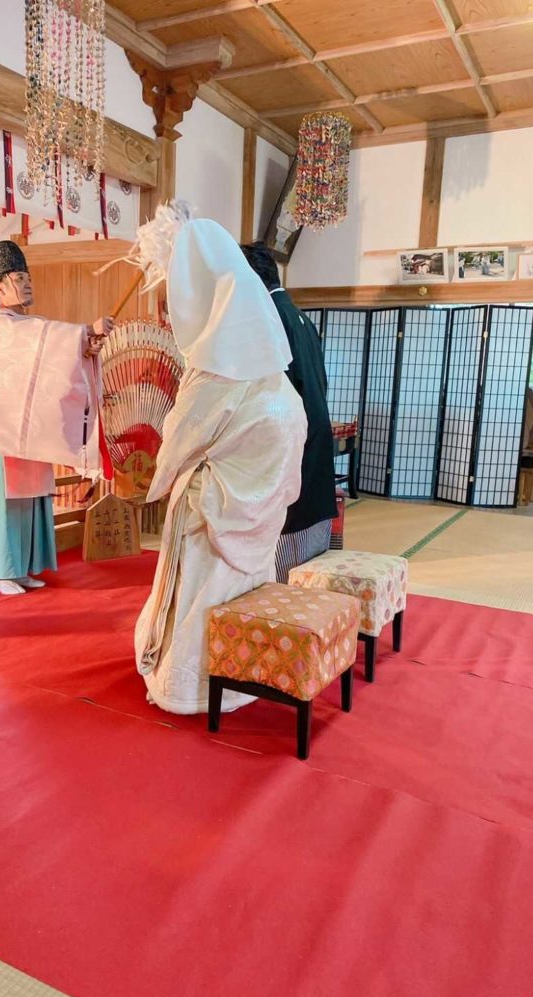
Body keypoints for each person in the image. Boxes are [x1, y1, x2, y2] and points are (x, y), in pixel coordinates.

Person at [135, 217, 308, 715]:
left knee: (201, 598)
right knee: (243, 591)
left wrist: (160, 474)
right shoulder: (268, 360)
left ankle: (186, 687)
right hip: (262, 505)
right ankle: (243, 676)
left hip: (212, 510)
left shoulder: (216, 369)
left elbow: (179, 440)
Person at [0, 240, 114, 594]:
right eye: (18, 277)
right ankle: (0, 569)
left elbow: (49, 359)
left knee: (30, 497)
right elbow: (44, 339)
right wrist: (85, 330)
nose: (27, 284)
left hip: (28, 427)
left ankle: (21, 566)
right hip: (1, 430)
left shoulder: (24, 324)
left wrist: (85, 348)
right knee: (4, 500)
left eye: (27, 277)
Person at [240, 242, 337, 582]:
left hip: (293, 444)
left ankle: (287, 622)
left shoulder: (269, 319)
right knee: (308, 553)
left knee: (283, 568)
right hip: (316, 436)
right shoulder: (300, 317)